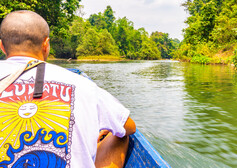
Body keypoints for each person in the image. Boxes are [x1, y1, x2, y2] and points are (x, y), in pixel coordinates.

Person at [0, 10, 136, 168]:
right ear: (46, 44)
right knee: (121, 136)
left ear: (2, 46)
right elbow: (129, 126)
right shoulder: (83, 85)